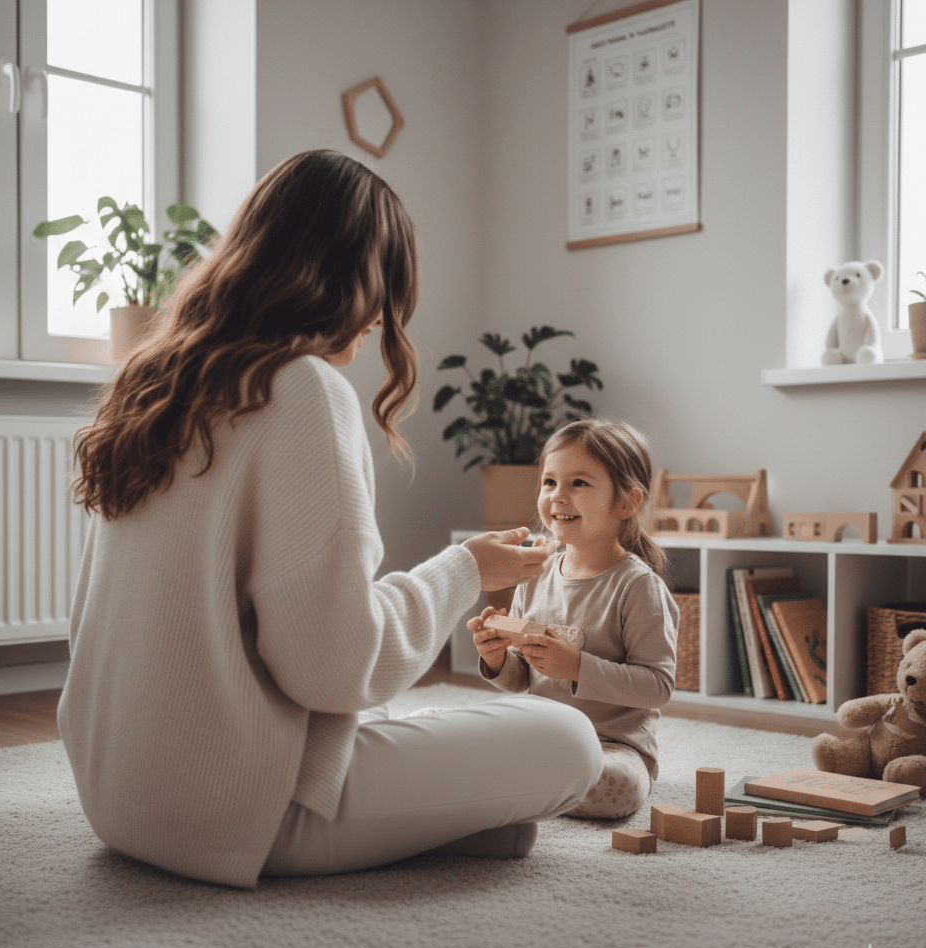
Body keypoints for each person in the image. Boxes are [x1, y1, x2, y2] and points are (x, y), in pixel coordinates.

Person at [57, 150, 604, 889]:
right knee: (569, 737)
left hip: (117, 801)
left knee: (441, 743)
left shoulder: (154, 380)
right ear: (347, 276)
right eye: (385, 284)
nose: (382, 316)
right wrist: (466, 570)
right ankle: (424, 820)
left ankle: (447, 821)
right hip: (240, 816)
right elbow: (337, 670)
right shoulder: (301, 388)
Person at [468, 418, 679, 819]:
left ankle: (515, 783)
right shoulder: (535, 573)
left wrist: (576, 666)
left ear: (627, 503)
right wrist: (496, 659)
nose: (558, 497)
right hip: (543, 736)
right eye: (549, 482)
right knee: (443, 730)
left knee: (617, 789)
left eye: (578, 483)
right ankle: (533, 782)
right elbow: (523, 677)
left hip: (611, 746)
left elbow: (657, 687)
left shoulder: (639, 587)